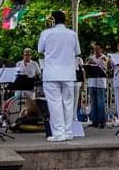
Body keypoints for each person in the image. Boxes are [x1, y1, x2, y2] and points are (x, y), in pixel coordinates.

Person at [38, 10, 82, 142]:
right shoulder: (72, 34)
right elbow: (77, 52)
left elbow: (40, 50)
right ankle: (68, 132)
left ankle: (59, 133)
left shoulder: (46, 33)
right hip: (68, 73)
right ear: (65, 20)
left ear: (53, 19)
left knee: (55, 103)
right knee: (68, 103)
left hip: (51, 73)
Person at [84, 43, 111, 128]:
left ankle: (102, 121)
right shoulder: (91, 57)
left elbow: (104, 68)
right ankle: (94, 121)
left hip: (100, 83)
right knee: (93, 102)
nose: (96, 51)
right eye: (95, 49)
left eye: (98, 49)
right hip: (92, 82)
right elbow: (87, 67)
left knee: (100, 103)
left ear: (101, 49)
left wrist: (94, 62)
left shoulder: (105, 58)